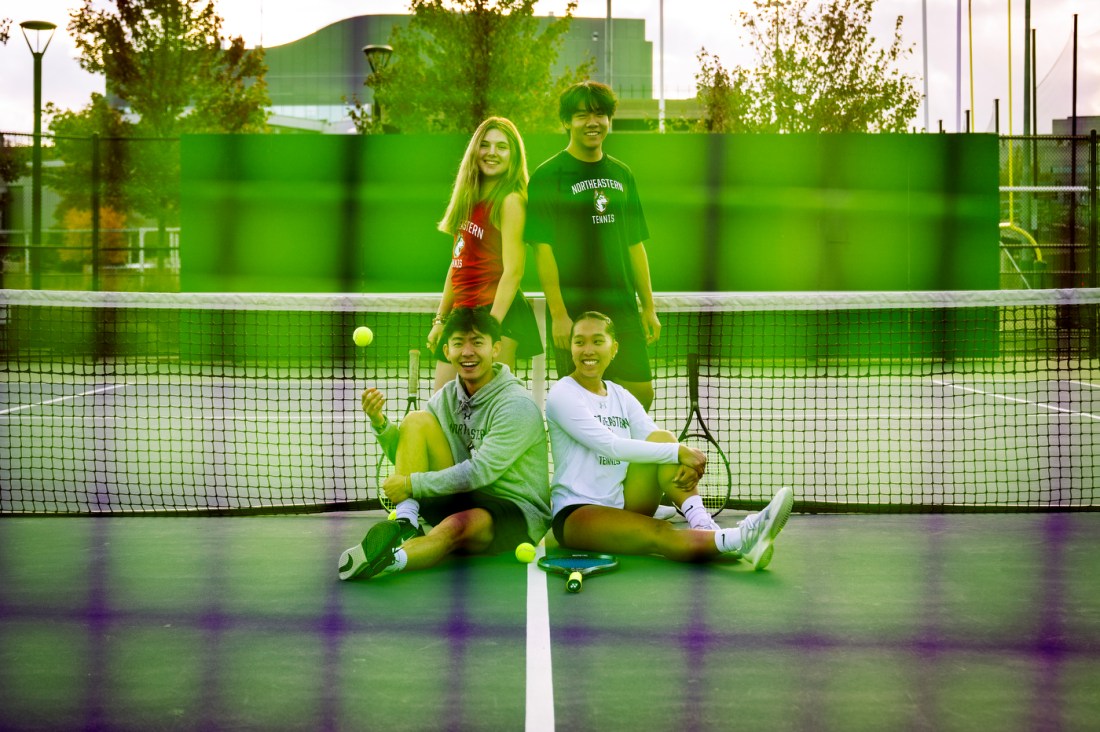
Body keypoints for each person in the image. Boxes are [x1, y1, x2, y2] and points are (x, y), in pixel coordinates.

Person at [545, 312, 794, 569]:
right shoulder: (563, 393)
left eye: (598, 341)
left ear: (614, 348)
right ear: (571, 347)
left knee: (662, 439)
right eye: (579, 342)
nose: (588, 350)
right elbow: (611, 446)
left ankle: (702, 523)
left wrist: (677, 453)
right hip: (579, 513)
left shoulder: (619, 395)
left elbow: (658, 441)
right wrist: (678, 452)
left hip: (624, 502)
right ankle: (742, 537)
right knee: (659, 531)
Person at [339, 307, 551, 581]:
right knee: (415, 421)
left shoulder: (515, 404)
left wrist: (410, 485)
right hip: (462, 491)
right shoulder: (447, 396)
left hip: (513, 508)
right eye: (458, 343)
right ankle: (406, 521)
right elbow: (408, 454)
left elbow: (480, 472)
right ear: (447, 351)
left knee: (452, 528)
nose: (467, 352)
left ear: (496, 348)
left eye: (477, 342)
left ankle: (390, 561)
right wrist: (381, 424)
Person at [526, 80, 661, 410]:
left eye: (600, 114)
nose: (592, 123)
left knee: (640, 395)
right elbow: (542, 249)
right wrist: (558, 313)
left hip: (622, 309)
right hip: (574, 312)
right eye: (582, 115)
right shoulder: (547, 177)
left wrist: (648, 306)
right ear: (566, 122)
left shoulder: (622, 174)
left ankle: (623, 462)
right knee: (581, 403)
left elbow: (635, 245)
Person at [426, 116, 542, 393]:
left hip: (497, 314)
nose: (492, 153)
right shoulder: (468, 199)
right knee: (443, 403)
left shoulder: (511, 201)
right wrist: (441, 320)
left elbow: (513, 271)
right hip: (462, 314)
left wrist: (492, 328)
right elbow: (457, 264)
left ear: (513, 156)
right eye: (485, 145)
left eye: (502, 147)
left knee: (488, 407)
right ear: (474, 150)